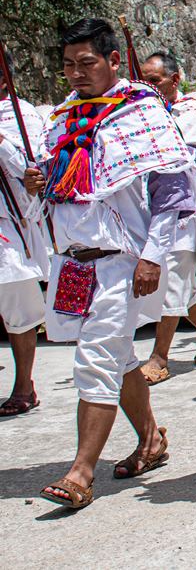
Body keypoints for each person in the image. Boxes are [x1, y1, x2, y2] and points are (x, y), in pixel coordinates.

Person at [27, 19, 196, 509]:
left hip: (121, 261)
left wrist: (152, 257)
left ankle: (81, 472)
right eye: (68, 66)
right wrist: (44, 179)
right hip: (74, 263)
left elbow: (173, 192)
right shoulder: (64, 118)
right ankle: (151, 439)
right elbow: (62, 181)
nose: (77, 74)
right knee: (118, 357)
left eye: (87, 63)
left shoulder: (140, 111)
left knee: (96, 359)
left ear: (112, 61)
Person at [136, 52, 196, 384]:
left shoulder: (193, 111)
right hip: (151, 210)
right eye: (143, 80)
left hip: (184, 211)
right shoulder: (138, 115)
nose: (147, 86)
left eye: (155, 80)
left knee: (173, 281)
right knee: (184, 288)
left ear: (175, 80)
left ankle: (159, 357)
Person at [0, 50, 49, 418]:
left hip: (9, 224)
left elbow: (31, 166)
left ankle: (24, 384)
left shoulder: (21, 115)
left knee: (18, 308)